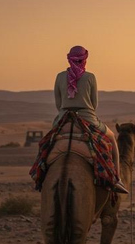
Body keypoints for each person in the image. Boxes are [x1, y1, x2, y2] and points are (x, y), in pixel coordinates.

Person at [53, 45, 128, 194]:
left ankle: (41, 173)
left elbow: (58, 103)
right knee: (112, 139)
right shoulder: (90, 77)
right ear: (85, 59)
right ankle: (117, 178)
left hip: (63, 119)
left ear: (69, 59)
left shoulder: (60, 76)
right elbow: (94, 104)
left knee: (47, 144)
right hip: (88, 118)